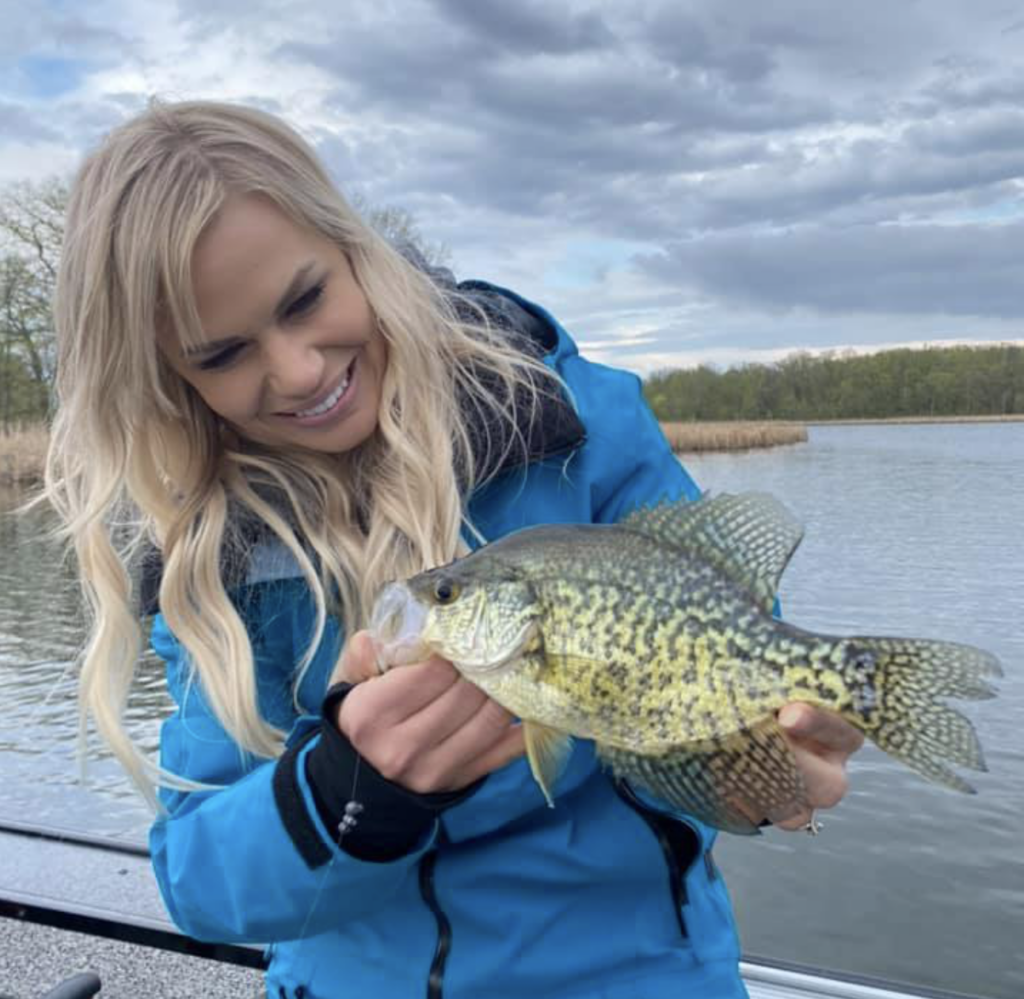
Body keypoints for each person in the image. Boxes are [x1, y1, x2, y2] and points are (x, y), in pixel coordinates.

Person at [45, 100, 864, 999]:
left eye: (306, 299)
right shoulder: (210, 556)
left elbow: (727, 680)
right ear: (171, 379)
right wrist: (345, 796)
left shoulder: (578, 424)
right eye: (226, 353)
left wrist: (765, 776)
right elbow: (197, 883)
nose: (299, 370)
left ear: (358, 249)